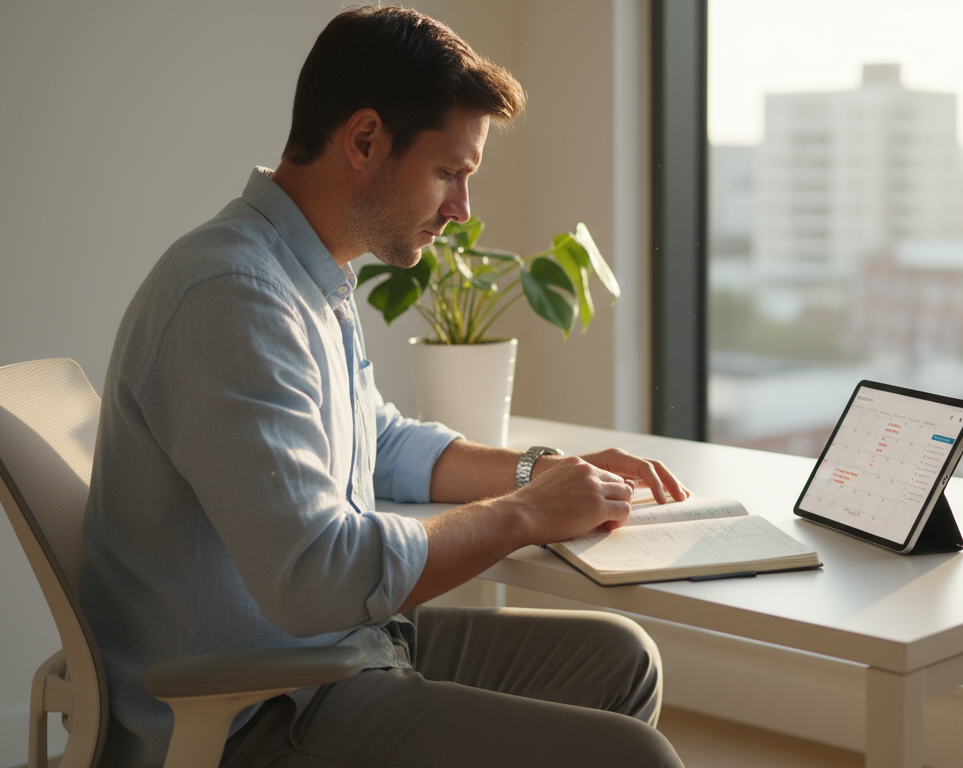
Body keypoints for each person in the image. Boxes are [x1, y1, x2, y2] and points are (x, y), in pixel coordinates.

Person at [81, 7, 688, 767]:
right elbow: (316, 573)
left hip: (331, 654)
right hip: (248, 713)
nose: (463, 211)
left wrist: (546, 472)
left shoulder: (306, 274)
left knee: (622, 660)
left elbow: (385, 442)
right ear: (365, 140)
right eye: (449, 173)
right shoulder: (230, 294)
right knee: (637, 757)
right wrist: (525, 513)